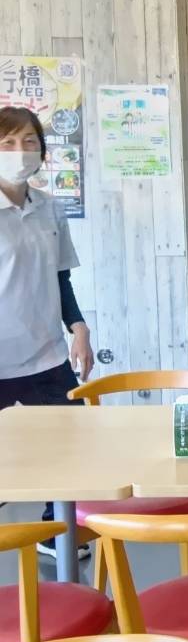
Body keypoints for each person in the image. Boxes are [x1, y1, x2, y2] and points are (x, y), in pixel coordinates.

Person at [0, 106, 94, 556]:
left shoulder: (49, 208)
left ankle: (55, 532)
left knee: (68, 444)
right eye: (8, 143)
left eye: (29, 142)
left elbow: (60, 278)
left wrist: (79, 328)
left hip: (46, 352)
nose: (20, 151)